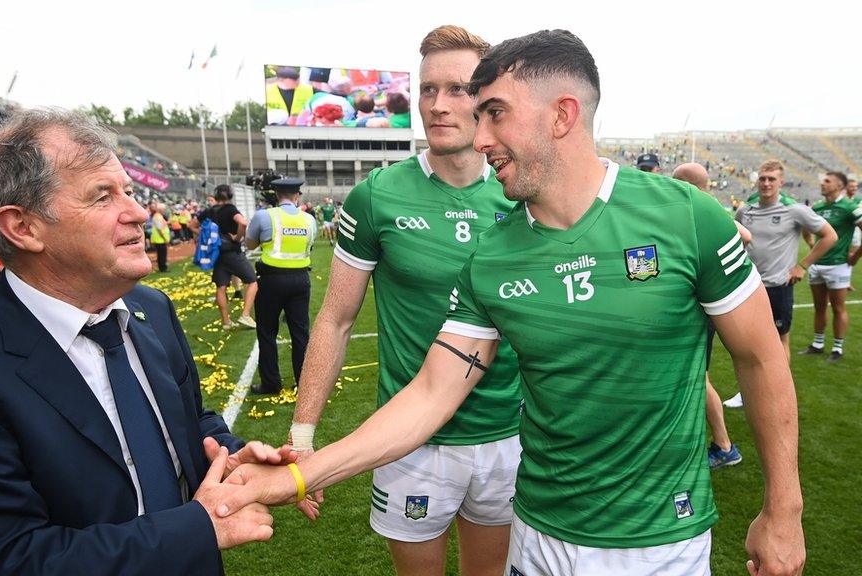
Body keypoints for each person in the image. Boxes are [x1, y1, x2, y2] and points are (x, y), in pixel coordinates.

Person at [226, 30, 805, 576]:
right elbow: (431, 393)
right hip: (536, 534)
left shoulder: (687, 218)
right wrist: (301, 474)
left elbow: (759, 359)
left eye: (495, 112)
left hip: (659, 543)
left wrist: (784, 509)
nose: (480, 136)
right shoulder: (493, 257)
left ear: (563, 114)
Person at [0, 109, 286, 576]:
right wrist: (196, 530)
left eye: (129, 191)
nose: (137, 212)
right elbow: (2, 560)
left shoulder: (150, 308)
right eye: (103, 196)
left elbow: (185, 419)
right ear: (23, 227)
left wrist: (228, 452)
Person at [291, 25, 522, 576]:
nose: (438, 106)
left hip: (509, 436)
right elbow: (336, 319)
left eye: (458, 89)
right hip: (410, 440)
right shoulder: (378, 195)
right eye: (427, 90)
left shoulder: (521, 191)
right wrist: (302, 436)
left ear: (489, 99)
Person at [726, 160, 834, 404]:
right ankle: (748, 392)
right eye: (763, 178)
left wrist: (802, 265)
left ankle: (777, 391)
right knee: (746, 343)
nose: (766, 183)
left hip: (778, 287)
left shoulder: (794, 209)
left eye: (771, 179)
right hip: (748, 286)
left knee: (779, 339)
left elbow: (830, 236)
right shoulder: (746, 209)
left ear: (781, 182)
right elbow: (737, 238)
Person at [671, 162, 755, 469]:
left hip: (697, 308)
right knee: (693, 377)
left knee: (697, 378)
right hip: (699, 307)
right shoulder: (707, 206)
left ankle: (724, 445)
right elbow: (744, 236)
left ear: (684, 184)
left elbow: (744, 237)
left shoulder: (697, 207)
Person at [244, 178, 316, 395]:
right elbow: (309, 246)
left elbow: (250, 244)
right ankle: (302, 382)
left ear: (276, 195)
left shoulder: (264, 216)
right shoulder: (309, 219)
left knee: (267, 332)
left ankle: (271, 383)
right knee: (300, 333)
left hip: (272, 280)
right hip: (301, 280)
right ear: (297, 196)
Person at [798, 171, 862, 362]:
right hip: (817, 265)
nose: (822, 184)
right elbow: (806, 230)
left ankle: (837, 348)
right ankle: (818, 344)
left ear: (839, 186)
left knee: (838, 308)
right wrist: (811, 246)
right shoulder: (817, 207)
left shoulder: (849, 206)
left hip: (838, 266)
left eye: (827, 181)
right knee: (819, 307)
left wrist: (855, 257)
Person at [196, 185, 258, 330]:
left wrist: (204, 237)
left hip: (217, 254)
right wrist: (237, 238)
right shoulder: (230, 209)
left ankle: (226, 322)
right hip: (232, 251)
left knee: (221, 287)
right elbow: (243, 222)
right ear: (230, 195)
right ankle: (246, 315)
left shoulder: (209, 211)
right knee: (252, 281)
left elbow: (192, 225)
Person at [148, 201, 170, 273]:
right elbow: (159, 228)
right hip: (159, 239)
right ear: (160, 210)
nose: (164, 211)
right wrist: (165, 238)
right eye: (164, 209)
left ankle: (162, 267)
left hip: (160, 238)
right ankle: (163, 268)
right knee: (162, 254)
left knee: (161, 254)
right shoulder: (158, 216)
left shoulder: (158, 216)